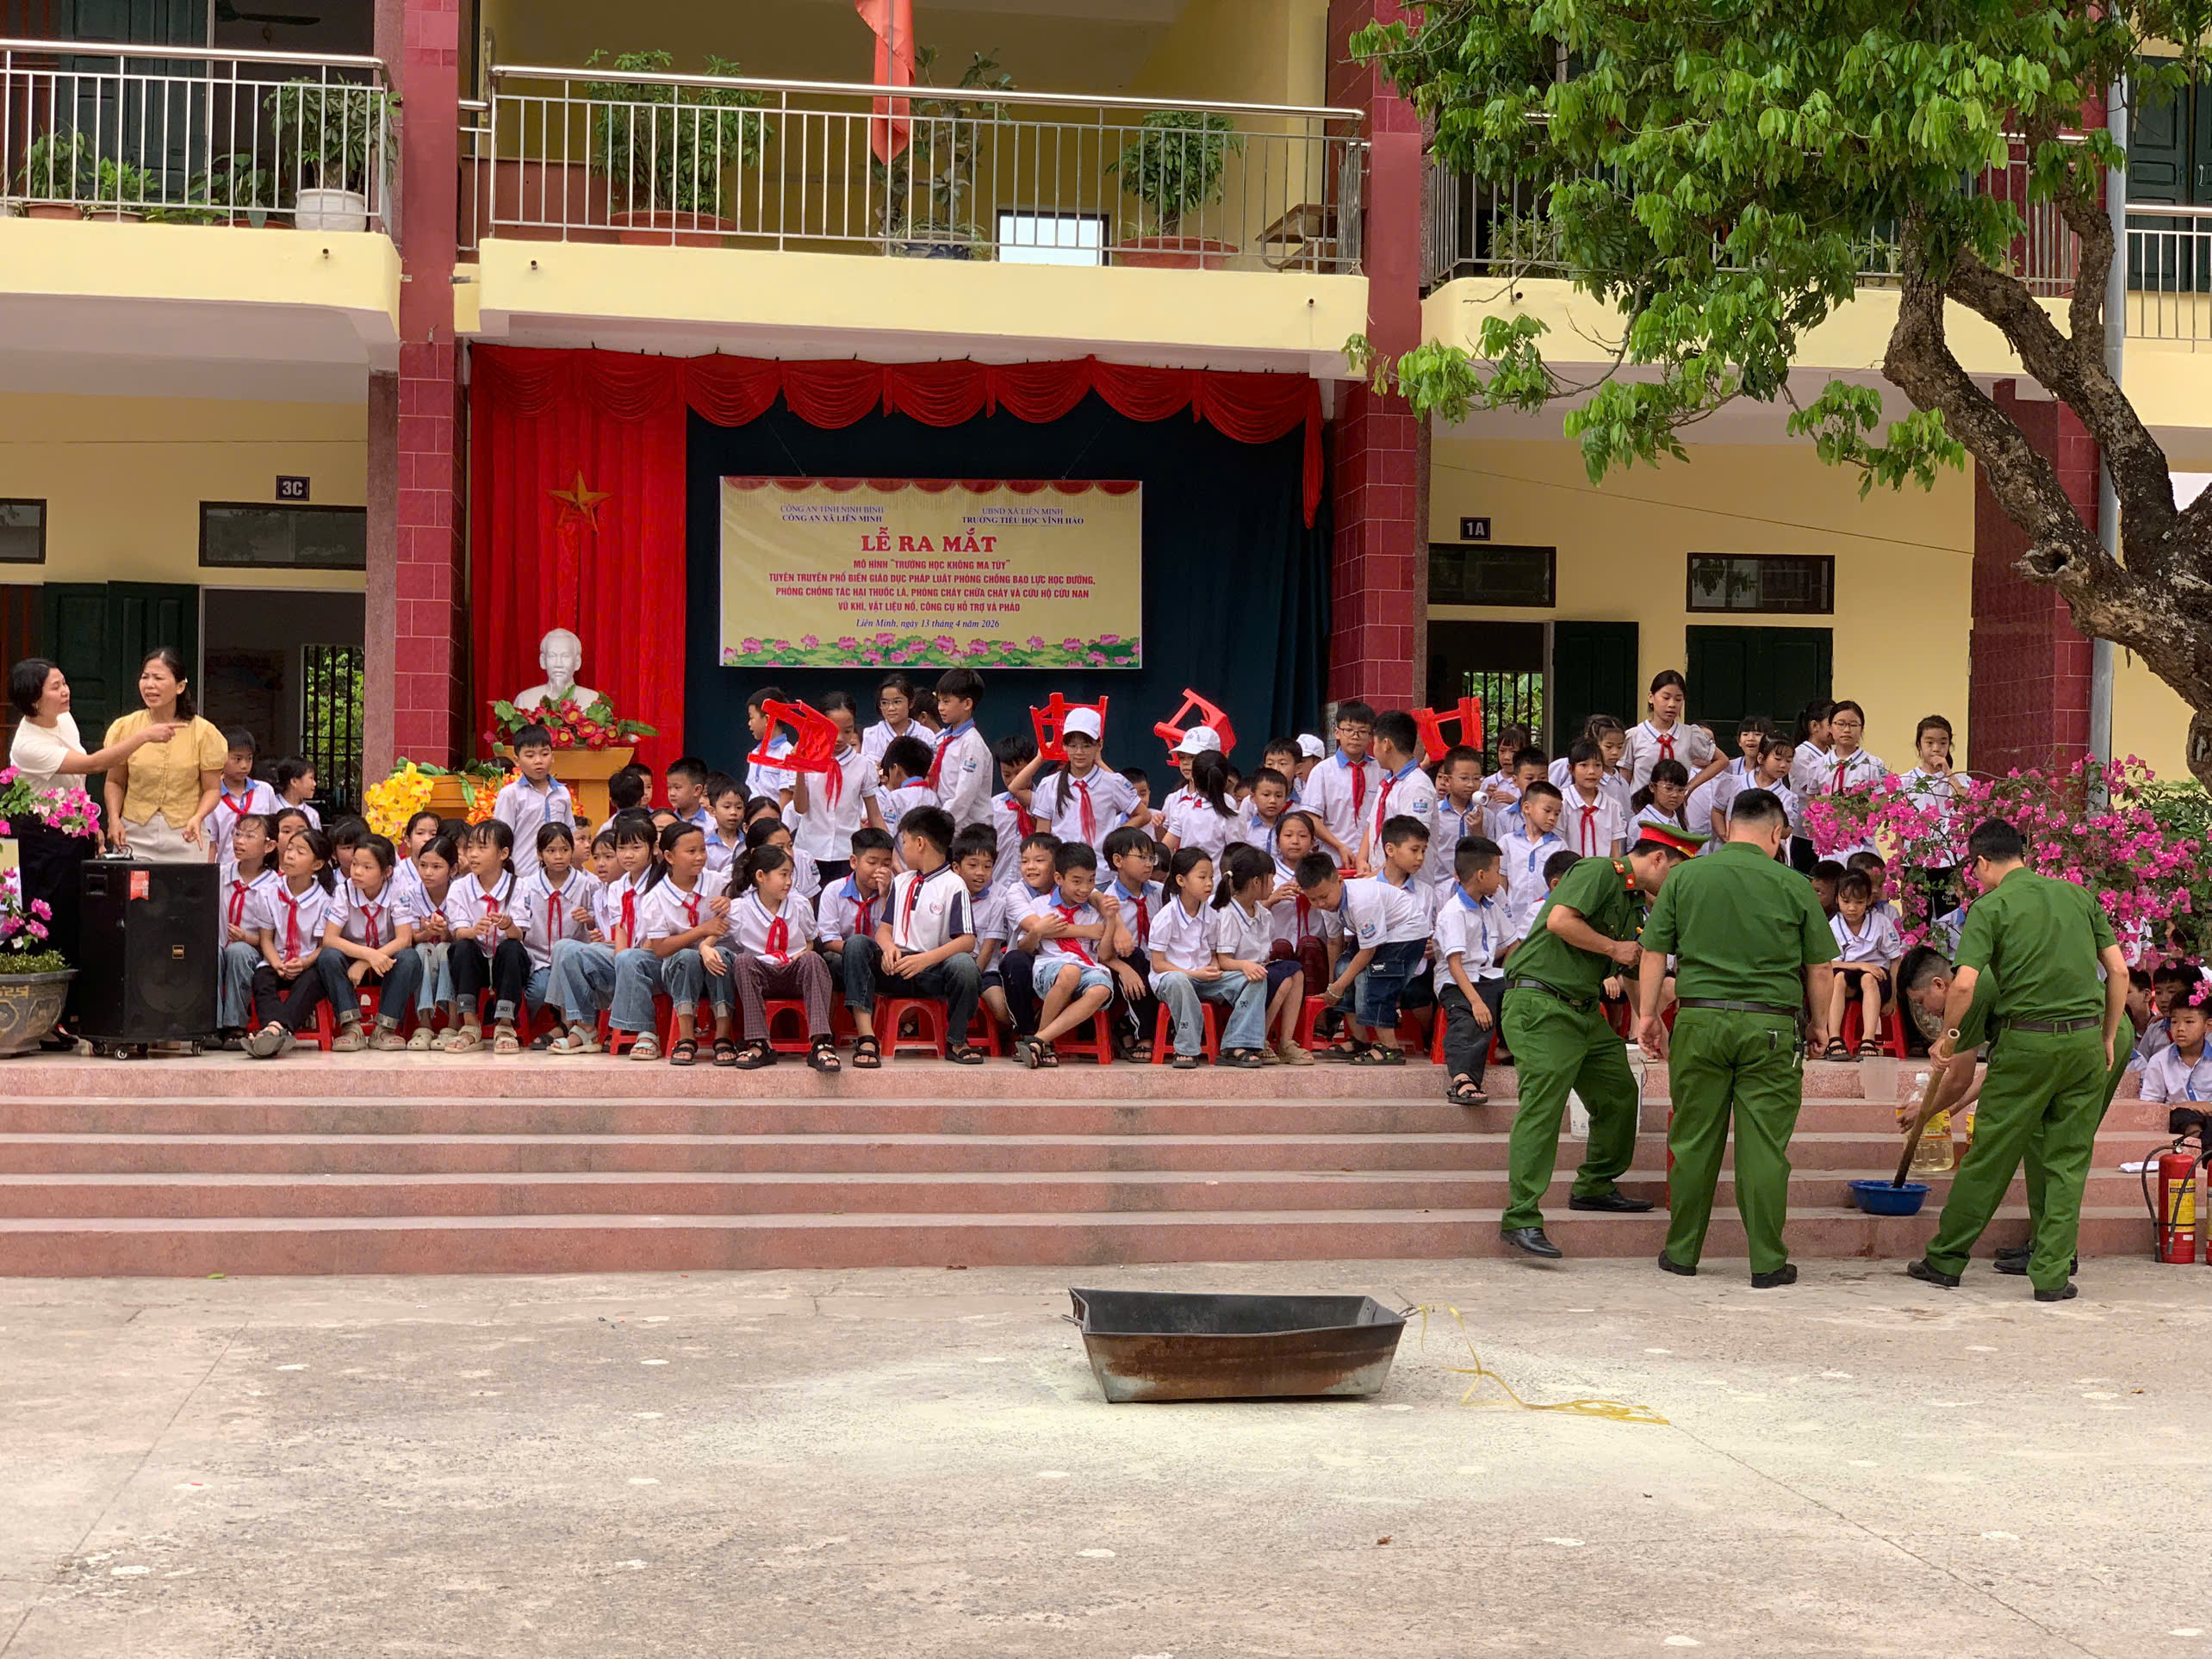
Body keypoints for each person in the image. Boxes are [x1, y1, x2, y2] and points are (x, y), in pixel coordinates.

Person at [1908, 817, 2129, 1302]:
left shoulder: (1990, 906)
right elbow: (2118, 971)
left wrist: (1947, 1037)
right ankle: (2051, 1277)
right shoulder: (2078, 896)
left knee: (1990, 1156)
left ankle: (1945, 1260)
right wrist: (2108, 1034)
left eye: (1974, 869)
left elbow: (1964, 985)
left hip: (2027, 1043)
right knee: (2068, 1161)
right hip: (2085, 1042)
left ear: (1981, 862)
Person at [1636, 792, 1831, 1285]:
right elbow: (1820, 967)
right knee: (1763, 1146)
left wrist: (1648, 1015)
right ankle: (1767, 1262)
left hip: (1699, 1022)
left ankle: (1681, 1252)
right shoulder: (1794, 884)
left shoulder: (1684, 877)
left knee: (1693, 1140)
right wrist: (1821, 1025)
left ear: (1729, 828)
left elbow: (1654, 953)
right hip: (1770, 1027)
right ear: (1776, 832)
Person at [1495, 829, 1694, 1258]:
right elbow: (1560, 921)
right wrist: (1612, 947)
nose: (1678, 883)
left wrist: (1650, 1020)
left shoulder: (1634, 902)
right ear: (1659, 859)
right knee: (1542, 1107)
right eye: (1678, 871)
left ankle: (1595, 1185)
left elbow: (1632, 969)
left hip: (1584, 1011)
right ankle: (1521, 1217)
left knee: (1620, 1094)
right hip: (1542, 1005)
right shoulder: (1600, 871)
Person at [1898, 940, 2137, 1279]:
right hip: (2095, 1033)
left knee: (2045, 1145)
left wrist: (1925, 1112)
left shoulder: (1969, 990)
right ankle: (2048, 1249)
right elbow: (1997, 1068)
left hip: (2092, 1037)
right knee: (2051, 1144)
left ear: (1940, 984)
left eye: (1922, 1002)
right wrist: (1949, 1110)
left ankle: (2037, 1254)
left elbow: (1959, 1078)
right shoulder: (1983, 979)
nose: (1926, 1012)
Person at [6, 658, 183, 1026]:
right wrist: (143, 736)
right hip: (42, 840)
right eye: (55, 687)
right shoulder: (28, 744)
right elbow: (91, 765)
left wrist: (91, 824)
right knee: (49, 921)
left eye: (64, 682)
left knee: (80, 919)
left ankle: (72, 1013)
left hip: (73, 832)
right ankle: (45, 1019)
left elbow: (76, 781)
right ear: (34, 701)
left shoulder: (64, 719)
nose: (65, 691)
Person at [842, 805, 985, 1067]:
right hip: (896, 966)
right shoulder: (902, 881)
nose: (903, 849)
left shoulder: (954, 885)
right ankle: (866, 1036)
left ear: (920, 844)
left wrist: (925, 960)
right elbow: (884, 929)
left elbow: (967, 940)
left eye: (905, 842)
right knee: (856, 945)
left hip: (933, 971)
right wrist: (888, 948)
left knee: (965, 965)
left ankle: (956, 1040)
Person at [719, 842, 838, 1072]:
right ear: (761, 876)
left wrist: (805, 951)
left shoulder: (799, 904)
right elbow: (713, 932)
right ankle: (759, 1043)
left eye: (791, 875)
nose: (789, 881)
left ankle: (821, 1043)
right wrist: (705, 948)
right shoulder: (740, 908)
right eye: (783, 875)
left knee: (813, 959)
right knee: (743, 961)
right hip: (761, 975)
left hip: (794, 972)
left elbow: (811, 939)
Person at [546, 813, 656, 1056]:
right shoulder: (618, 887)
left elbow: (657, 936)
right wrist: (621, 962)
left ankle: (646, 1031)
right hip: (627, 953)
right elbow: (621, 931)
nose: (628, 855)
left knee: (629, 958)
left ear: (654, 848)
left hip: (656, 954)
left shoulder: (661, 882)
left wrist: (626, 962)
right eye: (622, 848)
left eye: (636, 848)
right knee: (565, 948)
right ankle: (585, 1027)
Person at [102, 647, 227, 861]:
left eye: (158, 678)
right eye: (145, 677)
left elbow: (212, 789)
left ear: (180, 686)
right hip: (135, 832)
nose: (150, 685)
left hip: (186, 833)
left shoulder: (204, 732)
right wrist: (114, 819)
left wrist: (198, 817)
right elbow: (115, 781)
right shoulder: (125, 728)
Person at [1149, 848, 1265, 1067]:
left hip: (1204, 978)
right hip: (1172, 979)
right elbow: (1158, 964)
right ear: (1181, 880)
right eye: (1202, 877)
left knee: (1255, 978)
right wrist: (1194, 973)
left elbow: (1212, 954)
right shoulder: (1166, 917)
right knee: (1178, 980)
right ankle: (1186, 1048)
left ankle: (1236, 1044)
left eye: (1211, 877)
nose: (1209, 883)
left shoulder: (1211, 915)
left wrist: (1213, 967)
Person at [1012, 842, 1119, 1067]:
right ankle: (1043, 1042)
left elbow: (1104, 955)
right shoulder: (1040, 905)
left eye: (1091, 880)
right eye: (1077, 881)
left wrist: (1110, 921)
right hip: (1051, 967)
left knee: (1101, 989)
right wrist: (1037, 932)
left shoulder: (1095, 911)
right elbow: (1024, 948)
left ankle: (1039, 1041)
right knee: (1070, 972)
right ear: (1059, 878)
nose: (1085, 888)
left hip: (1088, 967)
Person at [242, 826, 343, 1058]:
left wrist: (304, 963)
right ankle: (279, 1031)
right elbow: (266, 939)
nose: (289, 855)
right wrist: (277, 963)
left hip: (308, 963)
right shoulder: (268, 893)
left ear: (317, 864)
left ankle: (271, 1031)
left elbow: (324, 945)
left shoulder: (326, 900)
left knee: (312, 982)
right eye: (289, 849)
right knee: (262, 979)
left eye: (300, 852)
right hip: (277, 960)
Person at [321, 832, 421, 1051]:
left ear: (387, 872)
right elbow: (329, 938)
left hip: (386, 960)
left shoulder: (397, 890)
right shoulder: (344, 891)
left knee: (409, 957)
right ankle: (351, 1028)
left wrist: (368, 961)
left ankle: (384, 1029)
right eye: (355, 864)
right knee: (328, 956)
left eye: (367, 867)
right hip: (351, 960)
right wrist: (367, 955)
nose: (357, 872)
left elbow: (404, 939)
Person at [1211, 841, 1306, 1066]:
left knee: (1296, 972)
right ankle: (1259, 1040)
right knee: (1281, 980)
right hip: (1237, 975)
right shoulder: (1228, 914)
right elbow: (1223, 961)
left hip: (1257, 969)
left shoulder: (1263, 914)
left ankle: (1286, 1042)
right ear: (1255, 881)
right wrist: (1246, 965)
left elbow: (1265, 955)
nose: (1274, 884)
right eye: (1271, 878)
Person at [442, 819, 532, 1054]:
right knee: (462, 946)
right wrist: (473, 931)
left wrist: (508, 925)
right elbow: (458, 931)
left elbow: (519, 935)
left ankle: (505, 1025)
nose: (473, 854)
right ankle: (470, 1025)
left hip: (507, 963)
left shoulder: (519, 886)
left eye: (482, 848)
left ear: (503, 853)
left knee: (511, 947)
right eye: (470, 847)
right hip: (475, 963)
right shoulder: (460, 887)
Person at [1434, 836, 1510, 1108]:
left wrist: (1512, 971)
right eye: (1497, 871)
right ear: (1480, 875)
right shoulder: (1453, 912)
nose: (1500, 879)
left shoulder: (1490, 906)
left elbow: (1512, 943)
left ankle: (1507, 1048)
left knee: (1521, 992)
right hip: (1456, 982)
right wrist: (1476, 1002)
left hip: (1487, 975)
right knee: (1470, 1018)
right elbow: (1455, 964)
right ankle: (1462, 1079)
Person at [790, 690, 884, 885]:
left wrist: (890, 853)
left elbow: (874, 815)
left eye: (847, 731)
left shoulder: (863, 765)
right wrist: (800, 767)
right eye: (832, 729)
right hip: (809, 851)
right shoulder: (807, 757)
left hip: (847, 853)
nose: (840, 738)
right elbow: (800, 808)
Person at [1022, 707, 1138, 860]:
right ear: (1064, 745)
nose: (1079, 752)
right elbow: (1042, 833)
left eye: (1086, 746)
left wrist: (1114, 838)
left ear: (1099, 745)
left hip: (1101, 867)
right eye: (1073, 745)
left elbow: (1142, 815)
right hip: (1063, 867)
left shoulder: (1112, 782)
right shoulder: (1049, 784)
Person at [216, 812, 281, 1045]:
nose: (239, 841)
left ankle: (235, 1025)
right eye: (237, 834)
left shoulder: (275, 886)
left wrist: (247, 938)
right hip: (221, 945)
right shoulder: (222, 874)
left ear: (269, 846)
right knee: (211, 952)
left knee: (239, 951)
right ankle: (210, 1024)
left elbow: (278, 937)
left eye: (250, 836)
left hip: (255, 951)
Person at [1823, 872, 1902, 1057]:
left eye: (1858, 902)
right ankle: (1834, 1038)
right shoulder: (1833, 925)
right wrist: (1861, 966)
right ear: (1837, 899)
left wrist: (1893, 997)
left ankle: (1868, 1039)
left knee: (1868, 979)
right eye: (1846, 902)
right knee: (1838, 978)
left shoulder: (1881, 922)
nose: (1852, 908)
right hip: (1847, 975)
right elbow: (1828, 963)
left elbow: (1895, 959)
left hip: (1878, 978)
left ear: (1868, 900)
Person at [1300, 700, 1379, 869]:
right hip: (1333, 859)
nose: (1355, 737)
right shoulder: (1322, 771)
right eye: (1349, 730)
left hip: (1372, 861)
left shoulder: (1381, 770)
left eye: (1362, 731)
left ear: (1371, 737)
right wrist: (1340, 846)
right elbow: (1311, 817)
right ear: (1337, 733)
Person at [493, 723, 575, 881]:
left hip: (558, 876)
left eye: (544, 754)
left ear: (553, 756)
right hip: (522, 876)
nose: (538, 761)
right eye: (530, 756)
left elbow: (570, 833)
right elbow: (501, 839)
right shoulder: (510, 795)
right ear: (517, 760)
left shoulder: (562, 793)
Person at [1625, 670, 1726, 794]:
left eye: (1678, 699)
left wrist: (1689, 787)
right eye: (1666, 698)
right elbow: (1624, 781)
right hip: (1641, 804)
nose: (1672, 704)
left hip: (1676, 805)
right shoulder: (1634, 735)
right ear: (1651, 697)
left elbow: (1722, 760)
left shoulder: (1690, 734)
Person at [1360, 711, 1437, 871]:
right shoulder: (1388, 782)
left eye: (1375, 743)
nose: (1373, 750)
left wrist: (1376, 875)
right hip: (1383, 876)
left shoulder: (1417, 786)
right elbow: (1373, 823)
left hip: (1406, 881)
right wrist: (1362, 859)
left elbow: (1411, 843)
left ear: (1386, 744)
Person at [1498, 780, 1566, 943]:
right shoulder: (1507, 842)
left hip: (1544, 921)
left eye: (1557, 814)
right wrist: (1502, 915)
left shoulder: (1559, 845)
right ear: (1527, 808)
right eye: (1547, 811)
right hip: (1512, 921)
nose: (1552, 818)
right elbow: (1501, 884)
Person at [926, 668, 993, 832]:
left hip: (969, 830)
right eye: (939, 701)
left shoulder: (972, 744)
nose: (940, 708)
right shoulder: (945, 740)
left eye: (946, 702)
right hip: (949, 826)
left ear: (967, 704)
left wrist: (940, 825)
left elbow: (964, 795)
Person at [1157, 750, 1239, 864]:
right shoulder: (1230, 806)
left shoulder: (1185, 807)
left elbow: (1165, 847)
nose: (1185, 762)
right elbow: (1236, 853)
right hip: (1215, 875)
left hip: (1188, 873)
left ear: (1195, 779)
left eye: (1191, 757)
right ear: (1226, 781)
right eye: (1182, 758)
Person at [1559, 738, 1627, 858]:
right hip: (1570, 868)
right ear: (1570, 769)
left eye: (1597, 765)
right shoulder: (1562, 802)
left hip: (1603, 869)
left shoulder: (1612, 806)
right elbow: (1557, 844)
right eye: (1584, 765)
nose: (1591, 771)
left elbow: (1615, 850)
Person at [861, 673, 923, 768]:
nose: (891, 708)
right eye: (884, 703)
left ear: (911, 703)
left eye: (897, 702)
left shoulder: (925, 734)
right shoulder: (870, 734)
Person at [273, 755, 320, 830]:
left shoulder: (313, 814)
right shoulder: (271, 806)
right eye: (311, 778)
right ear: (294, 781)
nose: (314, 784)